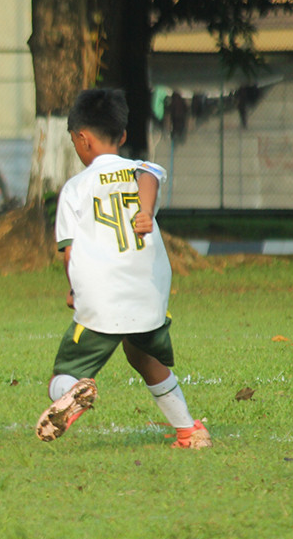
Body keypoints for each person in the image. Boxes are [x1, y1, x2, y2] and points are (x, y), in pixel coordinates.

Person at [36, 89, 210, 449]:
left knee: (63, 374)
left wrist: (74, 290)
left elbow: (69, 253)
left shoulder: (75, 189)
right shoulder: (143, 174)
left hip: (102, 296)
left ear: (82, 139)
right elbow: (150, 174)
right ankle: (189, 431)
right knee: (143, 356)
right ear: (124, 135)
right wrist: (144, 212)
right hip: (149, 295)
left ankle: (74, 390)